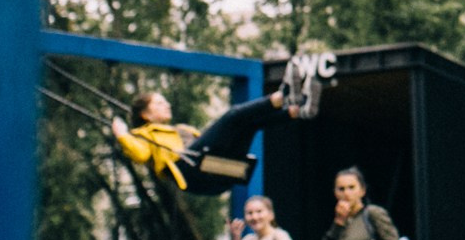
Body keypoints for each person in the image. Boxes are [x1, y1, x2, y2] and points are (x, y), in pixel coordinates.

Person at [111, 52, 332, 194]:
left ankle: (295, 111)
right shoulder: (144, 135)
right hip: (190, 168)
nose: (166, 104)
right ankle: (280, 97)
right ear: (146, 115)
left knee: (248, 124)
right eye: (159, 104)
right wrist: (122, 134)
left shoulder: (180, 130)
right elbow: (140, 155)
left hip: (219, 170)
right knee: (233, 115)